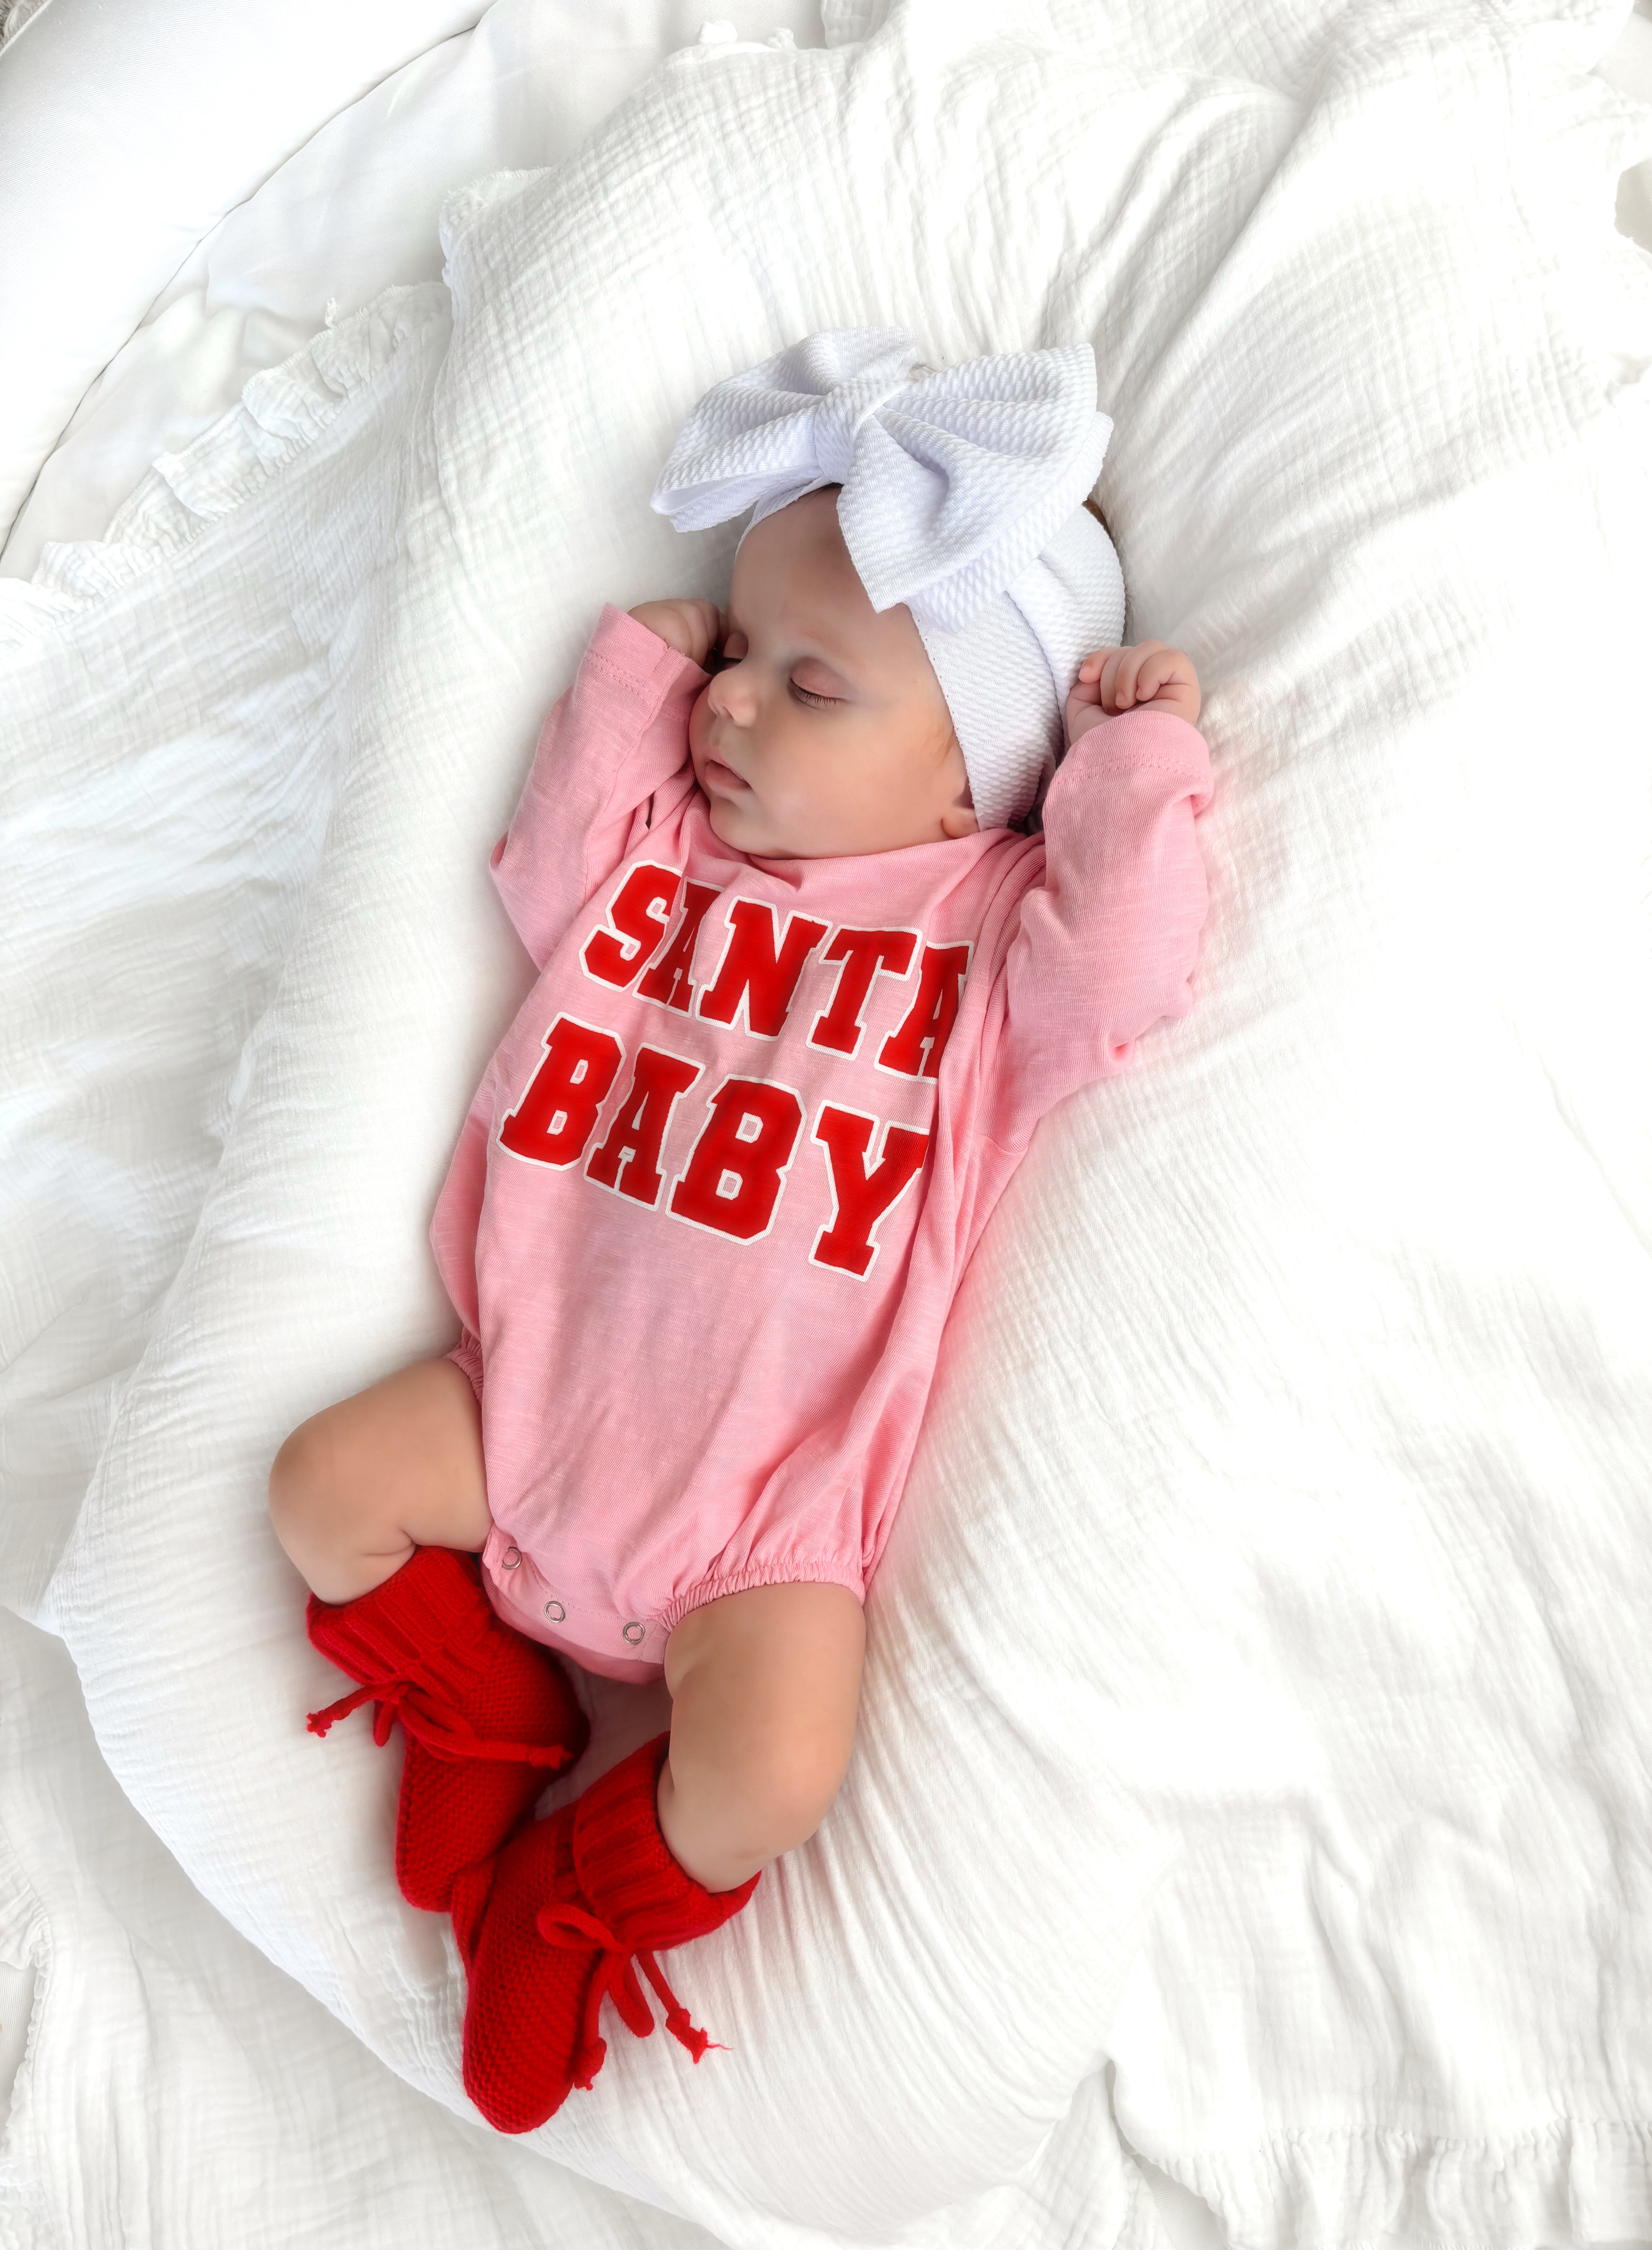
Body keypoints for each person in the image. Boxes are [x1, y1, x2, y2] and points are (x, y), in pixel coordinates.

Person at [267, 327, 1214, 2133]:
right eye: (735, 651)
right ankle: (488, 1712)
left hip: (759, 1531)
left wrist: (1130, 759)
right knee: (320, 1487)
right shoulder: (657, 855)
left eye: (810, 685)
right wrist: (641, 673)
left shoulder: (981, 925)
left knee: (774, 1768)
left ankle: (573, 1891)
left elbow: (1131, 967)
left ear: (974, 773)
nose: (734, 709)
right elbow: (541, 864)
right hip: (514, 1408)